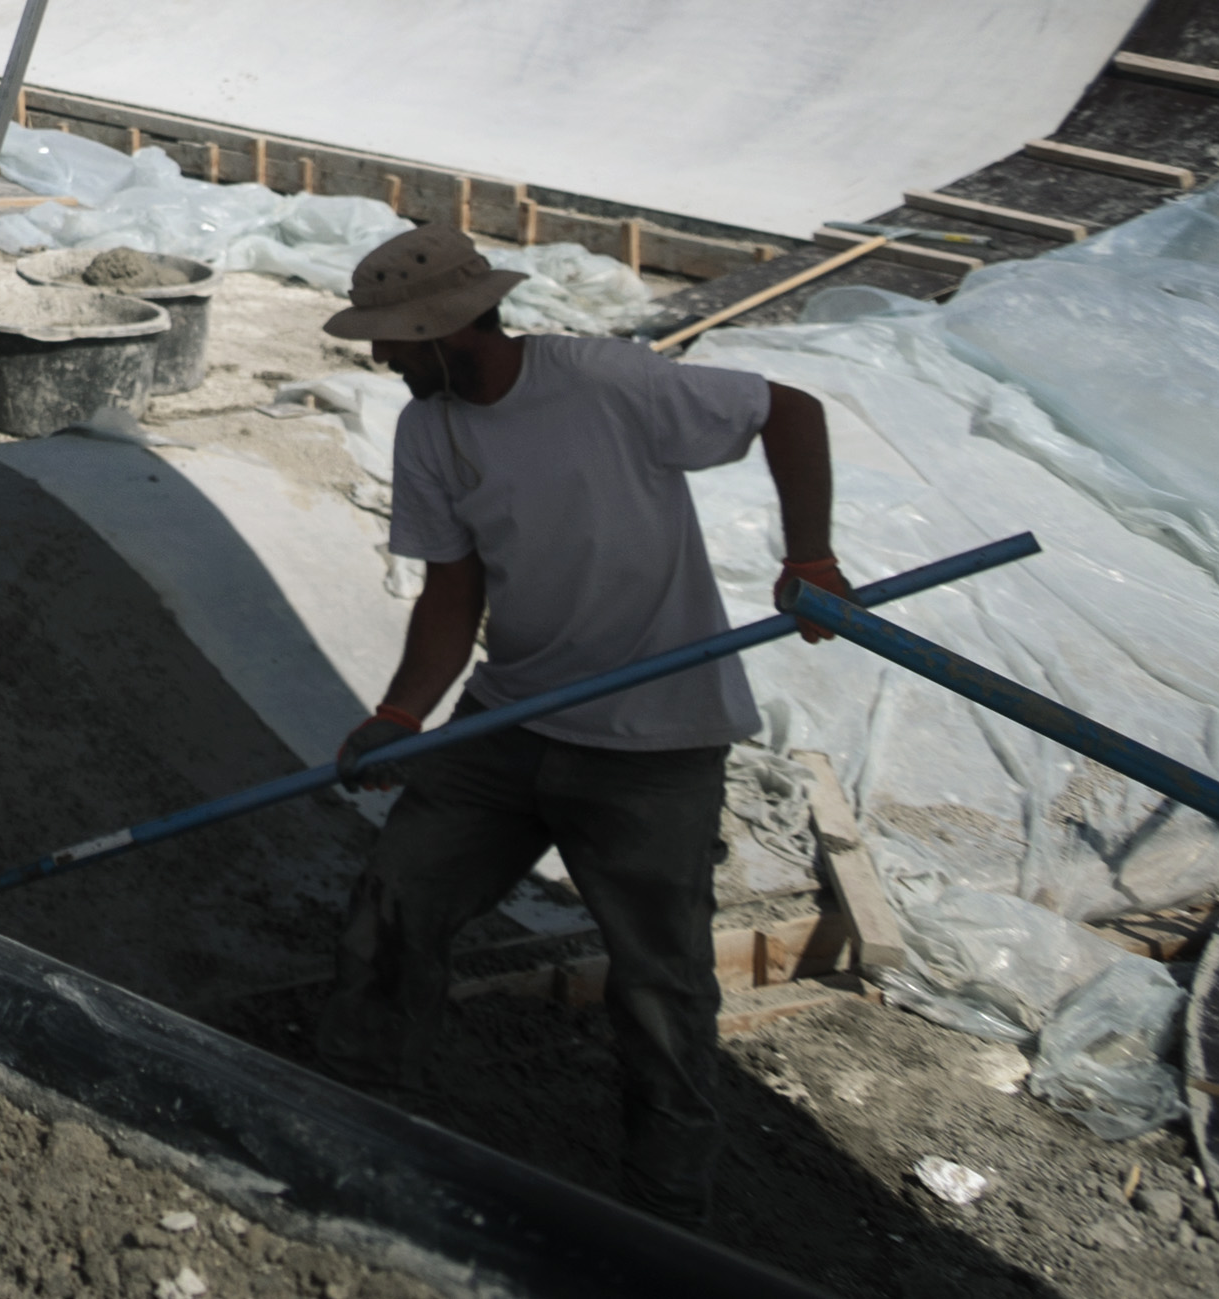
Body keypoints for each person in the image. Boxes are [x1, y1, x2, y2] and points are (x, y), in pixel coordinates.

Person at [309, 222, 841, 1221]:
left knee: (658, 975)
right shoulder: (429, 426)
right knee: (396, 898)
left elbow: (788, 408)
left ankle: (666, 1196)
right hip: (508, 719)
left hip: (655, 740)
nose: (375, 355)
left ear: (443, 328)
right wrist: (399, 709)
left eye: (387, 338)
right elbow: (450, 588)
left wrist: (806, 553)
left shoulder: (609, 383)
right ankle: (358, 1107)